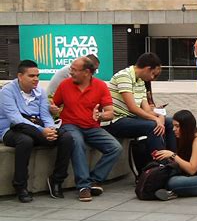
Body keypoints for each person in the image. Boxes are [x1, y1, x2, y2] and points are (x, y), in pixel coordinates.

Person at [0, 60, 73, 203]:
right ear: (20, 76)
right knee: (25, 140)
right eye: (31, 76)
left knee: (67, 137)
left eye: (37, 75)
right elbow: (15, 118)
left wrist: (51, 129)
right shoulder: (7, 91)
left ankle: (56, 180)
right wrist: (42, 131)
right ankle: (20, 185)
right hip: (10, 129)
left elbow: (45, 115)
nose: (36, 79)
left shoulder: (40, 91)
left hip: (36, 128)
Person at [52, 56, 122, 202]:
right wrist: (53, 109)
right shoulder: (65, 84)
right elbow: (55, 104)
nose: (71, 72)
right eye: (71, 69)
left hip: (92, 127)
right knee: (77, 142)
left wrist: (101, 116)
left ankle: (95, 180)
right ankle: (83, 187)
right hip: (69, 125)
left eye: (75, 70)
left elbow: (110, 112)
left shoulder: (100, 86)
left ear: (87, 72)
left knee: (115, 147)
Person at [104, 52, 176, 164]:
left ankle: (173, 158)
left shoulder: (140, 81)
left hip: (131, 119)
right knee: (152, 126)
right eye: (153, 74)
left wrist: (160, 116)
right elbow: (132, 107)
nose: (153, 78)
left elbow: (146, 109)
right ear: (147, 69)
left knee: (170, 122)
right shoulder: (124, 76)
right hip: (116, 120)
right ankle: (163, 165)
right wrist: (155, 119)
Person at [152, 110, 197, 200]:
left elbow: (192, 169)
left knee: (172, 182)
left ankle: (173, 192)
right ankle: (174, 192)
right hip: (193, 177)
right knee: (163, 176)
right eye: (173, 126)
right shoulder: (183, 138)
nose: (174, 129)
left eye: (177, 126)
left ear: (186, 127)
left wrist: (173, 155)